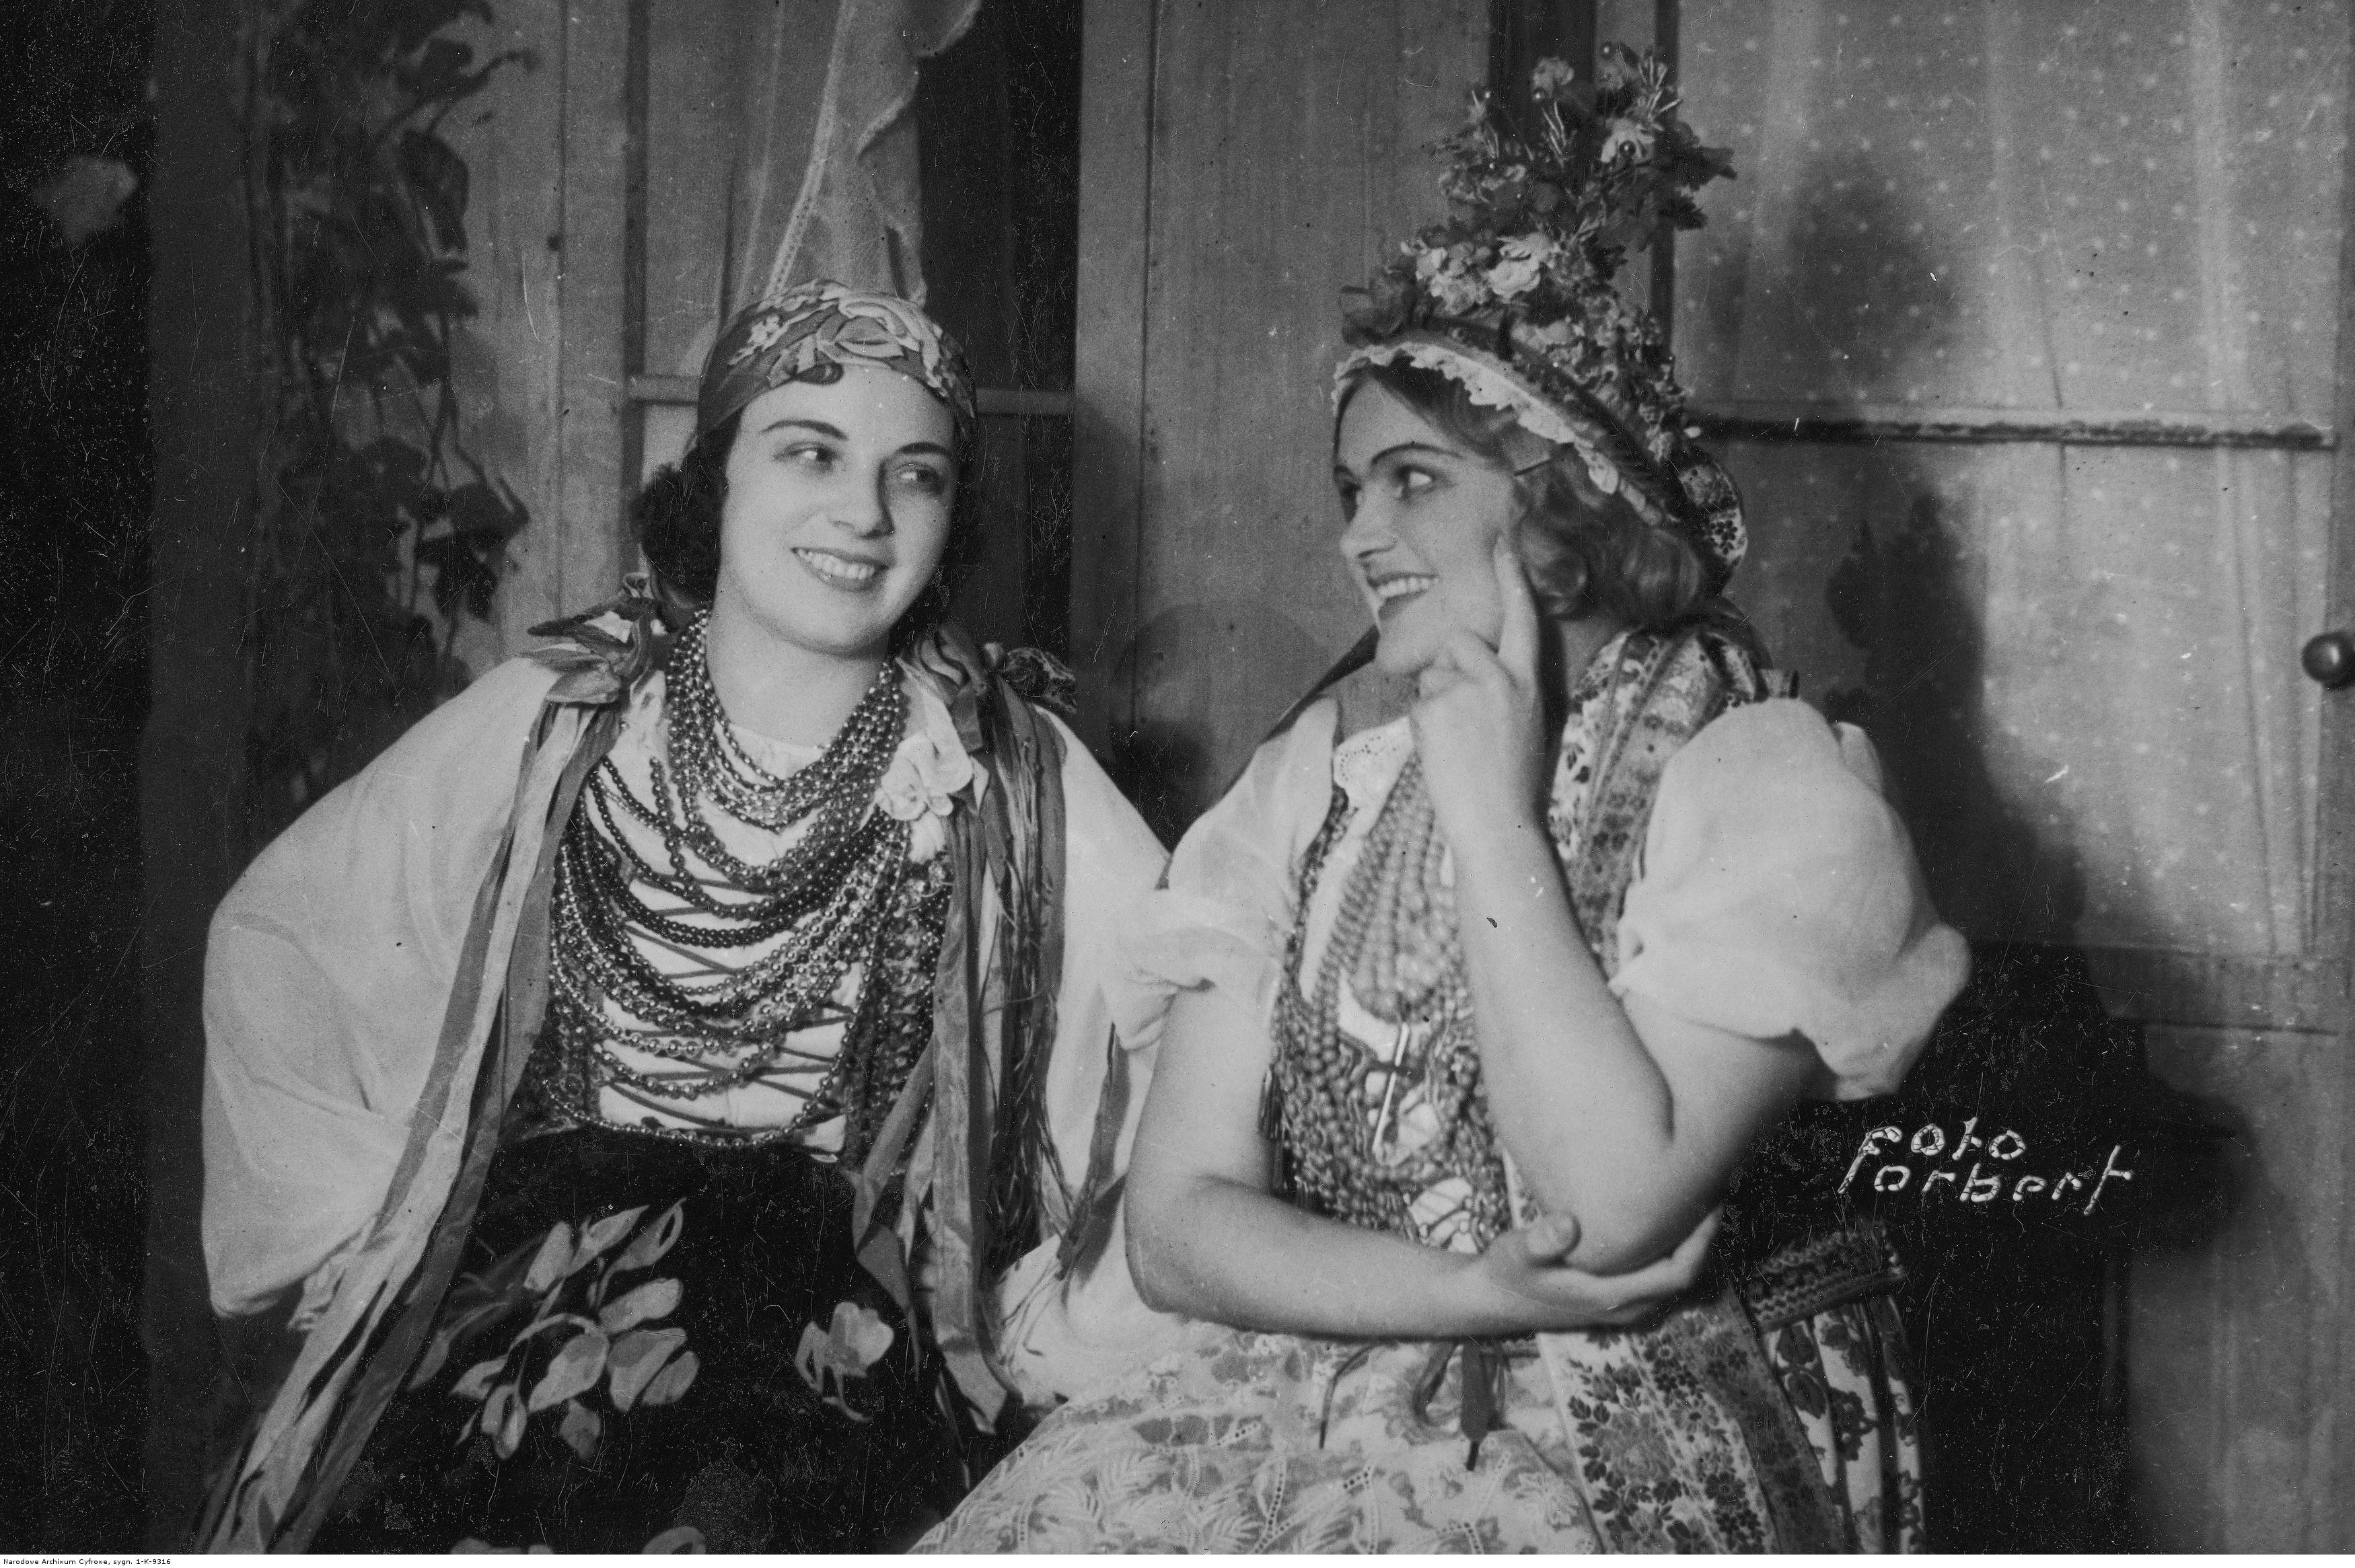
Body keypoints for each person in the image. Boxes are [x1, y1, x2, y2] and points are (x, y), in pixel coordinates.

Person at [919, 53, 1969, 1553]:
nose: (1358, 535)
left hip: (1648, 1420)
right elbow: (1178, 1226)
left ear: (1563, 494)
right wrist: (1462, 1294)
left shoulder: (1767, 780)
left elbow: (1612, 1211)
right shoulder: (1315, 776)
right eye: (1350, 489)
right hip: (1351, 1363)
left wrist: (1492, 815)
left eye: (1412, 480)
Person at [192, 281, 1175, 1553]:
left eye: (916, 475)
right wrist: (377, 1238)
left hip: (833, 1370)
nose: (864, 513)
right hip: (522, 1317)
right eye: (810, 453)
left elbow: (1185, 1048)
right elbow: (282, 939)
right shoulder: (562, 721)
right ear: (714, 477)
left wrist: (1047, 1328)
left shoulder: (1010, 773)